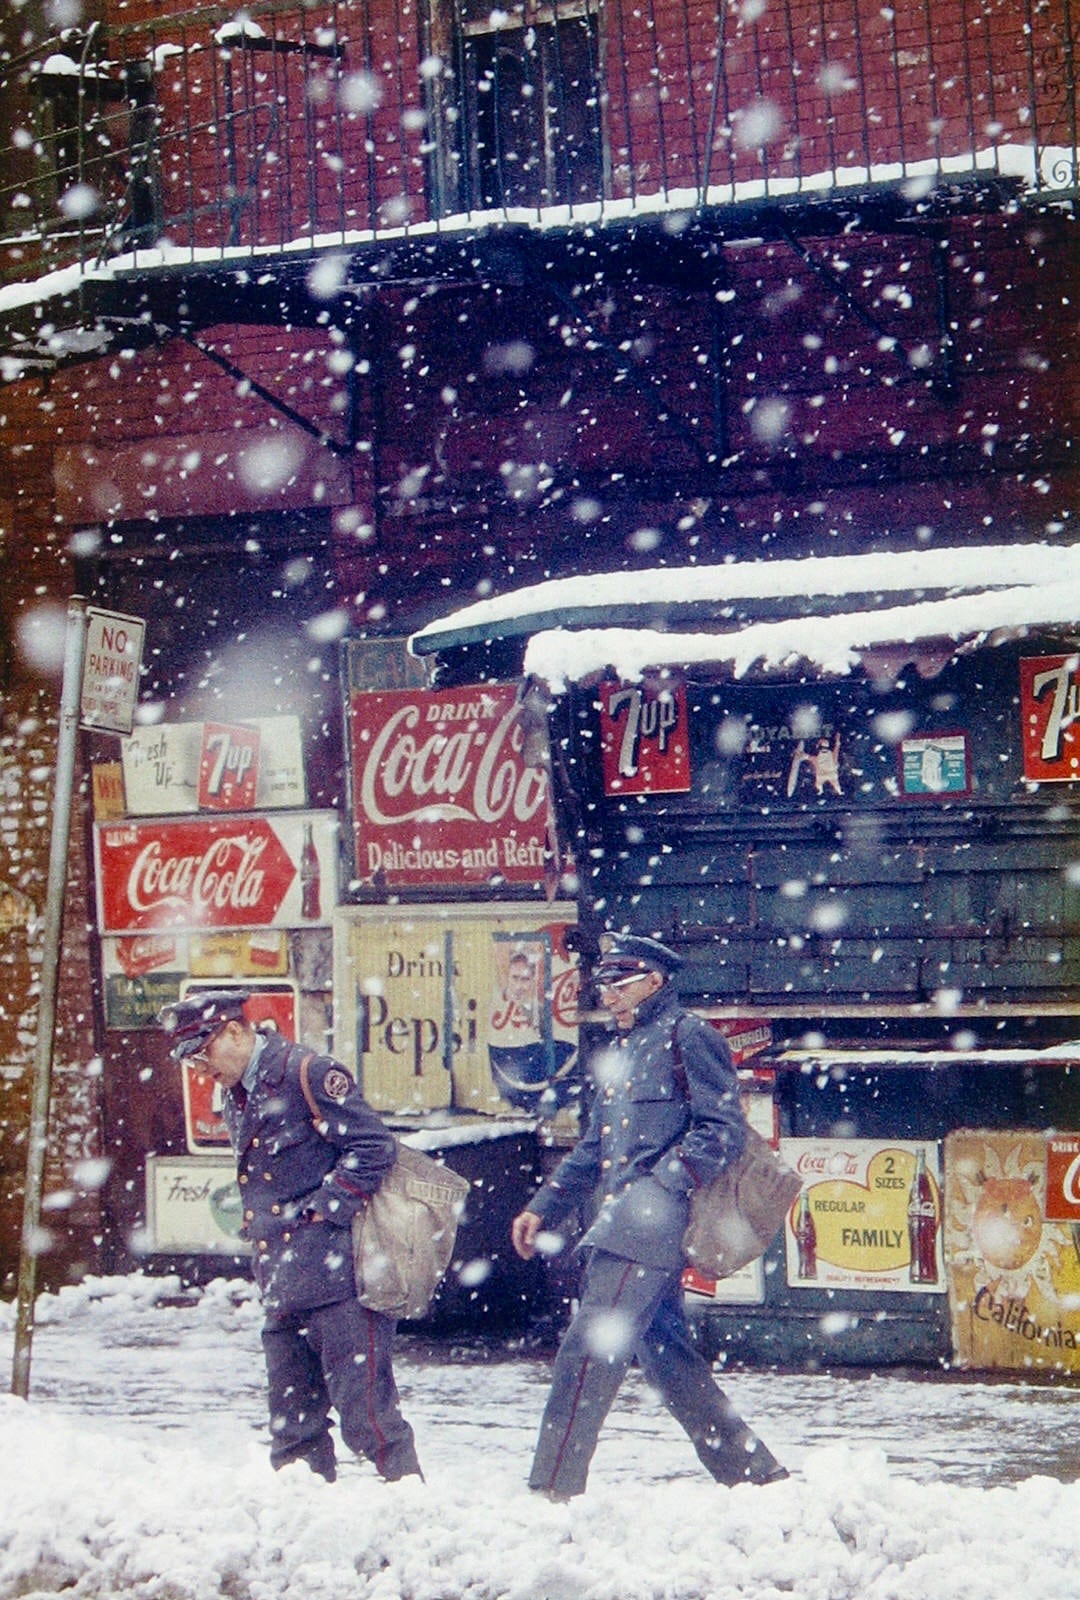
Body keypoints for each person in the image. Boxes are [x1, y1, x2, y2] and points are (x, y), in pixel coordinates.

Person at [511, 933, 787, 1499]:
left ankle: (552, 1489)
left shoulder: (689, 1037)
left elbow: (722, 1129)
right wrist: (544, 1206)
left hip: (652, 1222)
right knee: (667, 1360)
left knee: (589, 1350)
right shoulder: (626, 1048)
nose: (609, 993)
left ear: (656, 981)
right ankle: (756, 1477)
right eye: (604, 983)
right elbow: (595, 1147)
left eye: (622, 981)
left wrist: (663, 1185)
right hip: (624, 1220)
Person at [157, 989, 422, 1484]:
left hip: (340, 1282)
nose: (197, 1069)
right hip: (282, 1284)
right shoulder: (237, 1093)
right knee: (293, 1431)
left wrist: (322, 1213)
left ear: (234, 1032)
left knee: (369, 1422)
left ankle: (414, 1522)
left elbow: (372, 1146)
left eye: (200, 1054)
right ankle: (306, 1520)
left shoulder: (308, 1072)